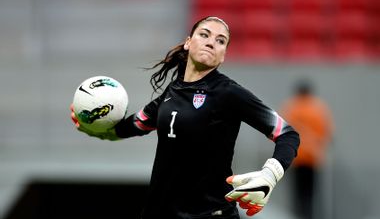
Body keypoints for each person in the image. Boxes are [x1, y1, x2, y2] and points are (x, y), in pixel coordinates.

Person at [70, 16, 300, 219]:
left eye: (221, 41)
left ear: (223, 56)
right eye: (205, 34)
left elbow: (288, 134)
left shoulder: (228, 93)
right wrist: (95, 128)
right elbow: (133, 125)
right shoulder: (170, 94)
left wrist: (270, 174)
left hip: (210, 213)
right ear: (189, 42)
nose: (212, 42)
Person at [279, 79, 334, 219]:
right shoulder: (318, 109)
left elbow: (281, 131)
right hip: (313, 158)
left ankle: (298, 216)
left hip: (295, 157)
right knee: (311, 195)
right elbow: (327, 134)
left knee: (297, 195)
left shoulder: (291, 108)